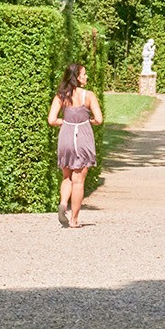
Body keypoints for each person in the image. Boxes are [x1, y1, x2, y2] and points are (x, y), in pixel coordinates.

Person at [48, 63, 102, 228]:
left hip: (66, 135)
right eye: (84, 74)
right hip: (83, 137)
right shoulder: (89, 96)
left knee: (67, 176)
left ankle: (63, 204)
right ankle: (74, 219)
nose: (86, 77)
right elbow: (99, 120)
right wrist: (87, 122)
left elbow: (51, 120)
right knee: (78, 180)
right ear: (77, 77)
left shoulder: (61, 96)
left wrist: (65, 122)